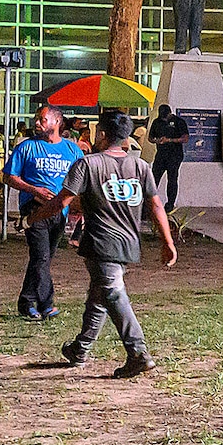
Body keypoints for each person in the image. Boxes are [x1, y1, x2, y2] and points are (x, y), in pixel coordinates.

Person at [37, 110, 176, 378]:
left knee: (111, 293)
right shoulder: (141, 167)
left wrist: (33, 217)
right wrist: (167, 241)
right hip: (128, 243)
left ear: (101, 134)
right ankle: (80, 349)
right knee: (99, 295)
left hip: (102, 243)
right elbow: (156, 205)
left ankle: (138, 353)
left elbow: (63, 200)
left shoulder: (88, 164)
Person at [3, 105, 85, 321]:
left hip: (60, 210)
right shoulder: (27, 147)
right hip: (34, 209)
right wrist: (33, 190)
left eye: (42, 119)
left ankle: (26, 301)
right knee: (41, 257)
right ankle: (46, 305)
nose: (37, 123)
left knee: (44, 259)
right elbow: (8, 177)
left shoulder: (72, 150)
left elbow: (81, 180)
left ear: (57, 122)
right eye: (36, 119)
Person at [148, 104, 188, 210]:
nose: (164, 119)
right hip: (161, 154)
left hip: (174, 155)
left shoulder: (179, 122)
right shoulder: (157, 122)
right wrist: (156, 140)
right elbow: (150, 137)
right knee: (154, 178)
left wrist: (170, 140)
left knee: (172, 179)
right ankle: (149, 203)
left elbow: (185, 138)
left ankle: (170, 204)